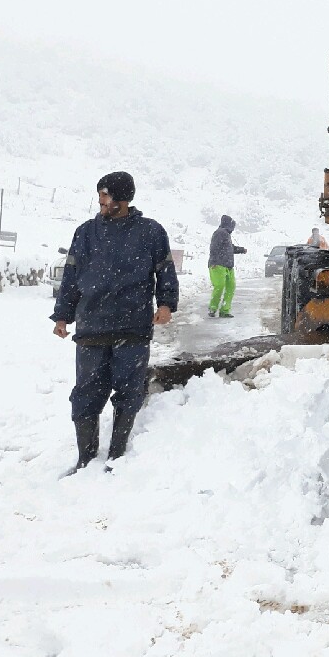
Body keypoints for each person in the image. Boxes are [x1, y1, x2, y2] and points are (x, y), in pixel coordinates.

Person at [50, 171, 178, 474]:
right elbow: (71, 276)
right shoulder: (85, 232)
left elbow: (165, 270)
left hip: (132, 327)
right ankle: (85, 457)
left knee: (129, 391)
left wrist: (166, 303)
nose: (100, 201)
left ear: (121, 199)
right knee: (86, 393)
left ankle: (117, 453)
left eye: (104, 195)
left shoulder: (150, 232)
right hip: (91, 326)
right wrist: (63, 315)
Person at [207, 215, 247, 318]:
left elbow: (229, 248)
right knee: (219, 286)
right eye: (232, 226)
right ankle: (213, 308)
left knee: (231, 286)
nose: (233, 229)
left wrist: (241, 250)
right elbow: (214, 248)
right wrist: (214, 262)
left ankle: (224, 310)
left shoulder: (226, 234)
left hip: (228, 265)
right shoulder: (220, 233)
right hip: (218, 264)